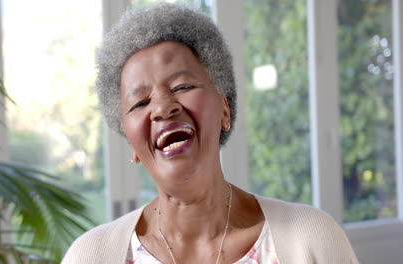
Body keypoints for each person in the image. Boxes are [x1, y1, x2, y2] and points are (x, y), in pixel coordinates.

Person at [62, 3, 358, 264]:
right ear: (132, 143)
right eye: (140, 102)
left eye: (182, 87)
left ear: (224, 110)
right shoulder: (90, 256)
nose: (163, 108)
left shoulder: (311, 239)